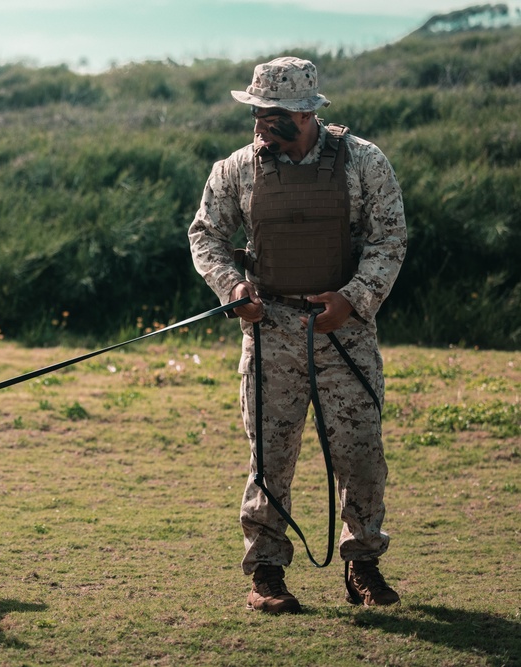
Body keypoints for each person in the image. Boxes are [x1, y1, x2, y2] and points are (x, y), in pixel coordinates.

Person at [187, 57, 407, 614]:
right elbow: (205, 235)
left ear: (307, 114)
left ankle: (362, 567)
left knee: (360, 454)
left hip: (344, 332)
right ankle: (266, 573)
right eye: (257, 109)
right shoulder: (235, 169)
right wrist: (233, 289)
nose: (262, 120)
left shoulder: (364, 162)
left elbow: (390, 239)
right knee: (271, 457)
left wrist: (352, 300)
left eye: (274, 112)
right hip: (270, 332)